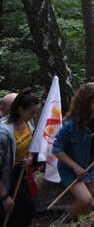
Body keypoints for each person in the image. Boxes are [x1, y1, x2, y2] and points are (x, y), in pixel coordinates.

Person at [52, 83, 94, 223]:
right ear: (85, 103)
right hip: (70, 168)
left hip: (91, 164)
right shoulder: (71, 124)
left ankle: (82, 223)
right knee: (85, 199)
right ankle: (64, 221)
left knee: (88, 204)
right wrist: (75, 167)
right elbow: (57, 149)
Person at [0, 88, 40, 227]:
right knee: (28, 208)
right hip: (6, 177)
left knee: (16, 210)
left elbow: (30, 143)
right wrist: (4, 196)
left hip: (19, 171)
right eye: (32, 112)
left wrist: (29, 156)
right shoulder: (3, 134)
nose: (34, 116)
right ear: (20, 110)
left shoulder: (28, 122)